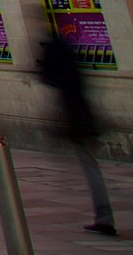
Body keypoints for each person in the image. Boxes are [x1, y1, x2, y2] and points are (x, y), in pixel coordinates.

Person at [40, 28, 118, 235]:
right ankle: (104, 215)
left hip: (75, 118)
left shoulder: (55, 50)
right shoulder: (68, 51)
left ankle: (104, 216)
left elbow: (46, 76)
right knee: (89, 164)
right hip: (81, 116)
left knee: (89, 166)